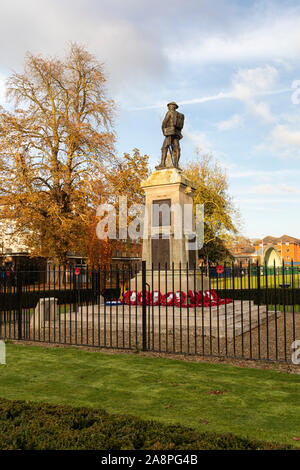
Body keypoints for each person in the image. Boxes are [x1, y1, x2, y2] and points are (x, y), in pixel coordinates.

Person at [158, 102, 184, 169]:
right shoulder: (180, 115)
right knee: (177, 148)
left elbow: (164, 123)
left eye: (169, 106)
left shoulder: (170, 112)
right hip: (177, 133)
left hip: (170, 132)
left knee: (164, 147)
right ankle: (176, 164)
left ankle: (162, 164)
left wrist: (164, 132)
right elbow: (181, 126)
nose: (168, 107)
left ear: (171, 106)